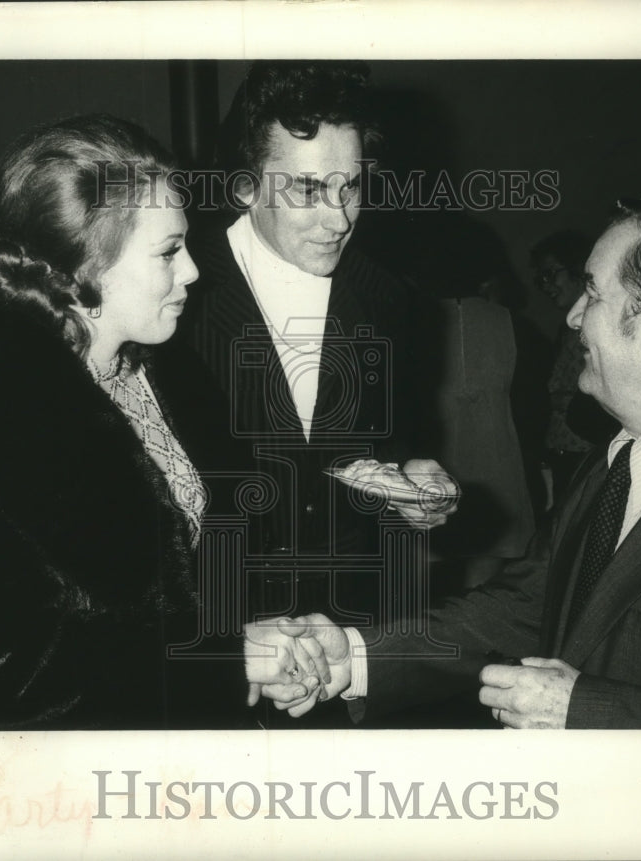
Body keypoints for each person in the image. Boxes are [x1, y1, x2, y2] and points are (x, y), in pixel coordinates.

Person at [246, 194, 641, 730]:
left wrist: (583, 712)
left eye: (593, 293)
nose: (573, 316)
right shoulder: (616, 460)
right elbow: (526, 606)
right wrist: (356, 658)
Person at [0, 115, 248, 730]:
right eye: (169, 251)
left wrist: (256, 638)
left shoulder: (163, 372)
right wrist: (226, 659)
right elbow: (11, 685)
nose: (194, 271)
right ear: (82, 268)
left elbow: (211, 566)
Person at [158, 61, 458, 635]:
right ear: (245, 184)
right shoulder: (176, 294)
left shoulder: (389, 300)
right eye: (307, 189)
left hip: (349, 627)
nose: (339, 218)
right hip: (214, 629)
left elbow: (387, 444)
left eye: (350, 186)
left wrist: (412, 478)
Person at [531, 230, 618, 508]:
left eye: (551, 274)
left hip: (587, 454)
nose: (545, 285)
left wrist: (557, 402)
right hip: (563, 451)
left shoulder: (601, 329)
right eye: (540, 278)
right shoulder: (566, 330)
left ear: (578, 270)